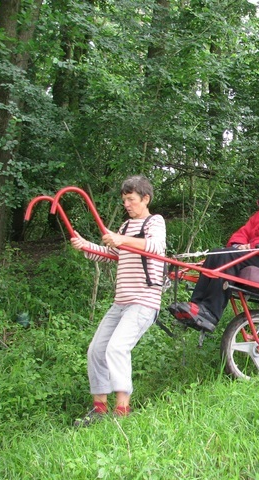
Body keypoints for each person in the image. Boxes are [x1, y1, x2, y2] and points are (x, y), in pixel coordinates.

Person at [70, 175, 166, 426]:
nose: (127, 204)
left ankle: (122, 410)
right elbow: (110, 254)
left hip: (144, 300)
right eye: (124, 200)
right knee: (96, 350)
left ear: (145, 199)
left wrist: (121, 240)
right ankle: (99, 410)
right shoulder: (124, 227)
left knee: (117, 347)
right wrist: (85, 246)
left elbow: (155, 247)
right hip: (121, 302)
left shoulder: (155, 222)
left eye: (131, 199)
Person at [169, 167, 259, 332]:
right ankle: (195, 307)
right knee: (216, 253)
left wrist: (252, 247)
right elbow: (240, 235)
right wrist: (240, 246)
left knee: (228, 257)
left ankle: (209, 313)